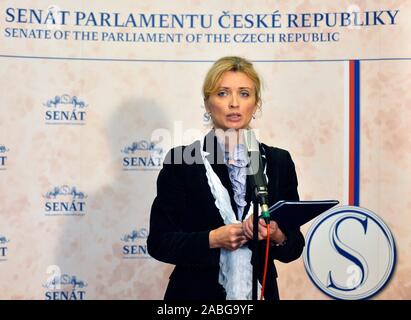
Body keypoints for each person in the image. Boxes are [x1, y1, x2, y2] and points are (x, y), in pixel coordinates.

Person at [147, 56, 305, 300]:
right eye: (222, 93)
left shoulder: (278, 161)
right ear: (207, 103)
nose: (234, 103)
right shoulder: (182, 161)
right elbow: (159, 242)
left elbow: (293, 247)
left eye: (244, 93)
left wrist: (276, 234)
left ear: (256, 103)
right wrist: (212, 239)